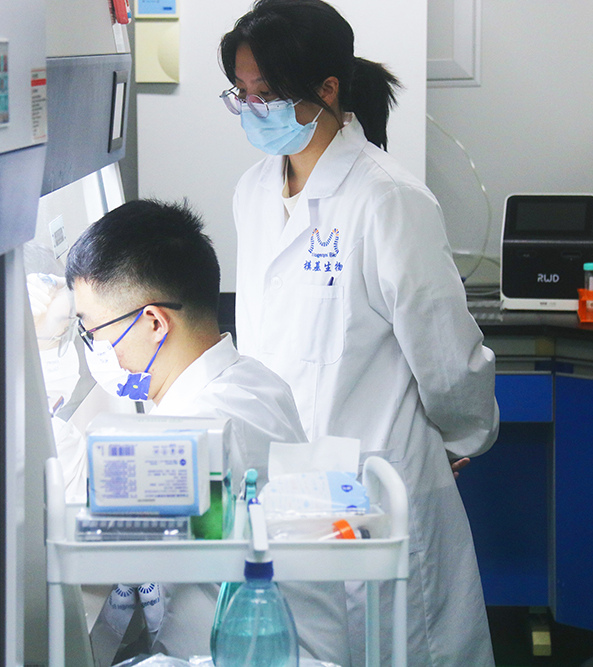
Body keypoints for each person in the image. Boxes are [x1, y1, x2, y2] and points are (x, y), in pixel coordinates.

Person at [219, 1, 500, 666]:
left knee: (399, 645)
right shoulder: (252, 192)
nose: (253, 108)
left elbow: (445, 353)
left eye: (267, 94)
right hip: (289, 487)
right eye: (241, 94)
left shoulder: (387, 197)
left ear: (327, 89)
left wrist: (459, 436)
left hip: (378, 482)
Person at [65, 199, 350, 665]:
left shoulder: (204, 428)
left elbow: (82, 525)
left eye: (93, 330)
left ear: (154, 322)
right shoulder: (249, 380)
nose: (95, 347)